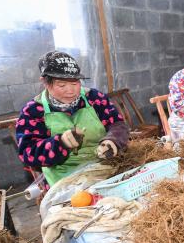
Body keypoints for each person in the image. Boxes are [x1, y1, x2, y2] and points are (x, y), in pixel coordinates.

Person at [16, 51, 129, 187]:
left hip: (105, 168)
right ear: (45, 82)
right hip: (65, 180)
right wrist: (60, 143)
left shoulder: (94, 98)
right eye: (62, 85)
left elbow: (117, 123)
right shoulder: (33, 111)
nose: (70, 91)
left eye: (75, 83)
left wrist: (113, 140)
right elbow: (28, 154)